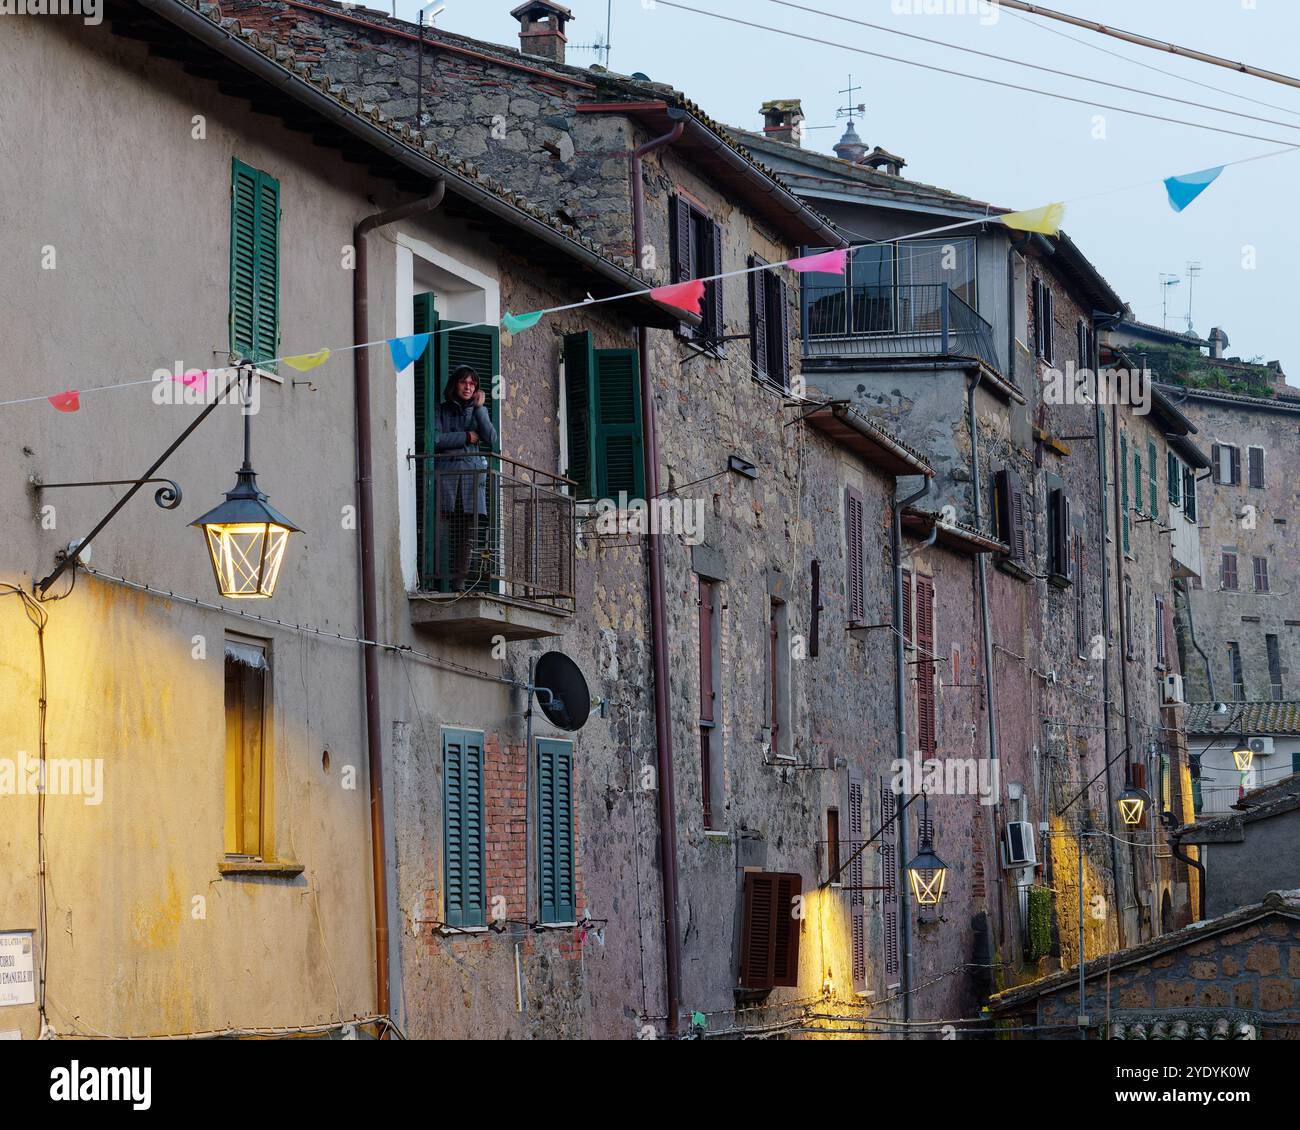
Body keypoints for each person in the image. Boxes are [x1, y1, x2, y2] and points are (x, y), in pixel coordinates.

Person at [434, 365, 497, 590]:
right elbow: (435, 440)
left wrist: (479, 410)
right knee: (440, 531)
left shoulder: (480, 411)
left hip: (471, 480)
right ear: (455, 384)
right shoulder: (440, 410)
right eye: (464, 382)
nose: (468, 387)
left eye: (472, 384)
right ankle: (436, 580)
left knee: (467, 534)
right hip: (447, 477)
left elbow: (492, 438)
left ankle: (459, 581)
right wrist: (465, 436)